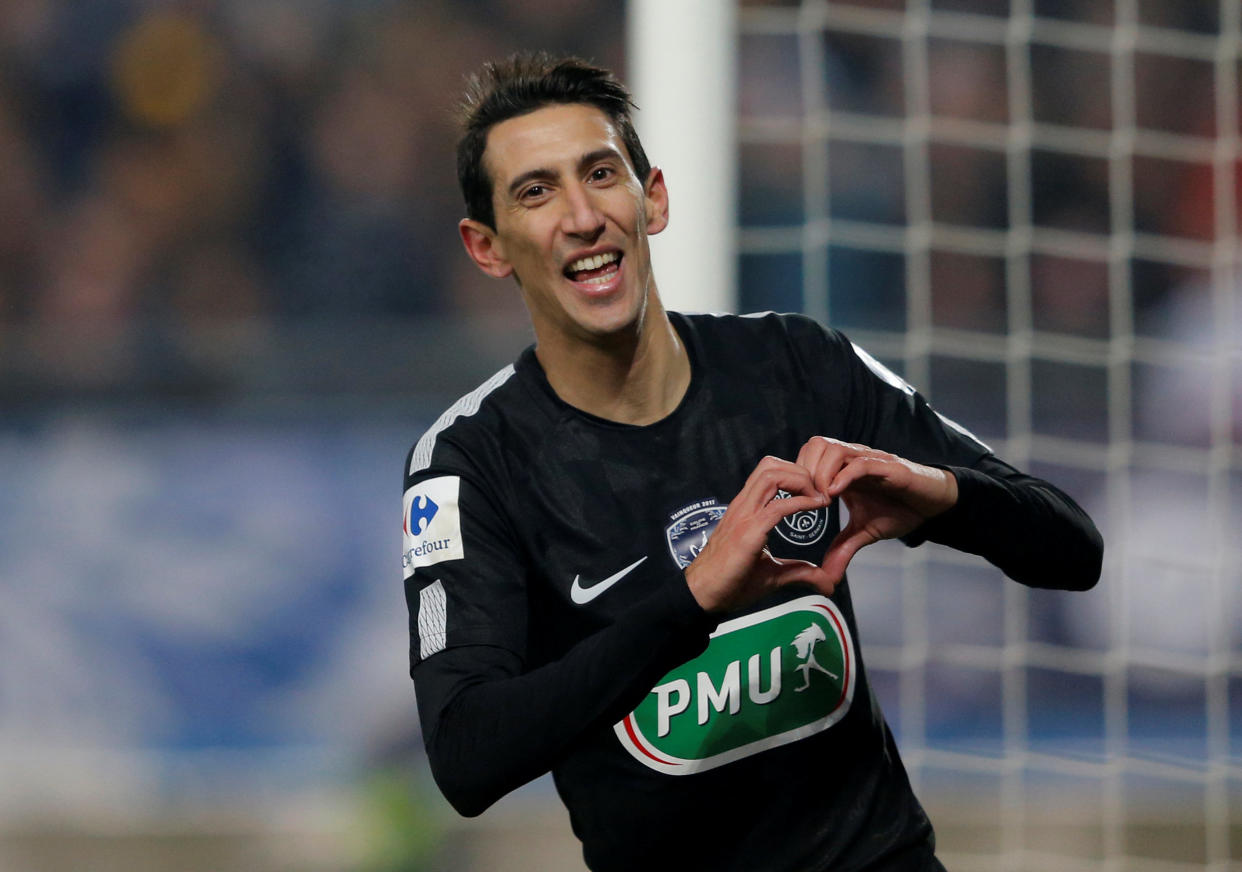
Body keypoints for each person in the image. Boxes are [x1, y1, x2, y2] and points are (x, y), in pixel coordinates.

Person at [402, 53, 1102, 872]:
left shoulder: (797, 362)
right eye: (536, 191)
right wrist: (694, 600)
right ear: (487, 247)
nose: (583, 216)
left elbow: (1074, 549)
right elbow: (466, 755)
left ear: (651, 198)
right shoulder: (468, 464)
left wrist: (944, 496)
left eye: (601, 174)